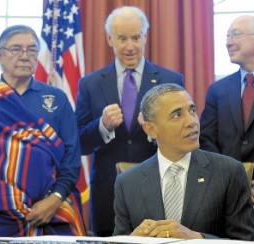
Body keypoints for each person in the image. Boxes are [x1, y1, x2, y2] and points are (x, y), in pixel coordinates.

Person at [75, 6, 183, 236]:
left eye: (135, 37)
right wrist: (102, 126)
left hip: (158, 187)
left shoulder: (170, 80)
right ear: (109, 39)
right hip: (108, 191)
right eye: (122, 38)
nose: (130, 46)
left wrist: (157, 130)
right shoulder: (90, 84)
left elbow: (184, 137)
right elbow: (79, 143)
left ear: (145, 36)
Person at [113, 83, 254, 240]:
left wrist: (197, 239)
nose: (192, 122)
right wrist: (131, 240)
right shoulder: (127, 182)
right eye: (177, 115)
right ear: (151, 129)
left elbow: (247, 241)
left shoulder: (229, 172)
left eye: (192, 111)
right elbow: (118, 239)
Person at [0, 25, 86, 236]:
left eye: (32, 50)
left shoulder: (56, 99)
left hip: (51, 208)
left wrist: (55, 199)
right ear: (0, 55)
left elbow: (71, 159)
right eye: (16, 49)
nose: (25, 56)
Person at [199, 15, 254, 204]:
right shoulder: (218, 89)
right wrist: (228, 180)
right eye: (227, 36)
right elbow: (206, 139)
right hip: (226, 195)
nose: (228, 42)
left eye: (235, 35)